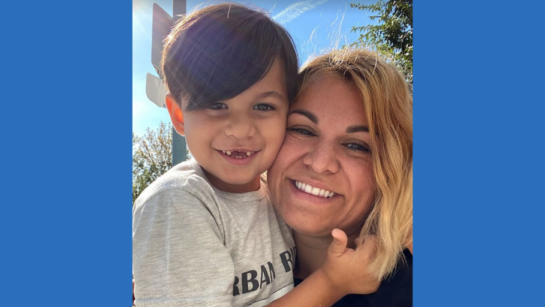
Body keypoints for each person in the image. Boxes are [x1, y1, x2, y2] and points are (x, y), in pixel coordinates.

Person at [133, 4, 380, 307]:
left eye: (263, 107)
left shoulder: (269, 198)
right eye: (216, 104)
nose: (239, 129)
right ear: (179, 115)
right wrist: (331, 283)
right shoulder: (178, 202)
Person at [267, 48, 413, 306]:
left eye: (357, 146)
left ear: (393, 169)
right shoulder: (212, 243)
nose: (320, 163)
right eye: (302, 129)